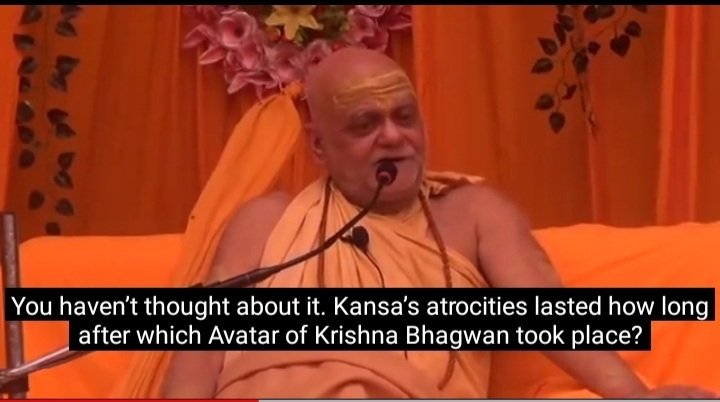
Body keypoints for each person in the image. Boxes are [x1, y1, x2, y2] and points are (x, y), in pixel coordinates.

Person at [150, 48, 715, 399]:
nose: (393, 137)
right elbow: (202, 341)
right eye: (365, 124)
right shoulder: (267, 220)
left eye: (405, 117)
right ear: (319, 146)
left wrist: (635, 396)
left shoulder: (472, 212)